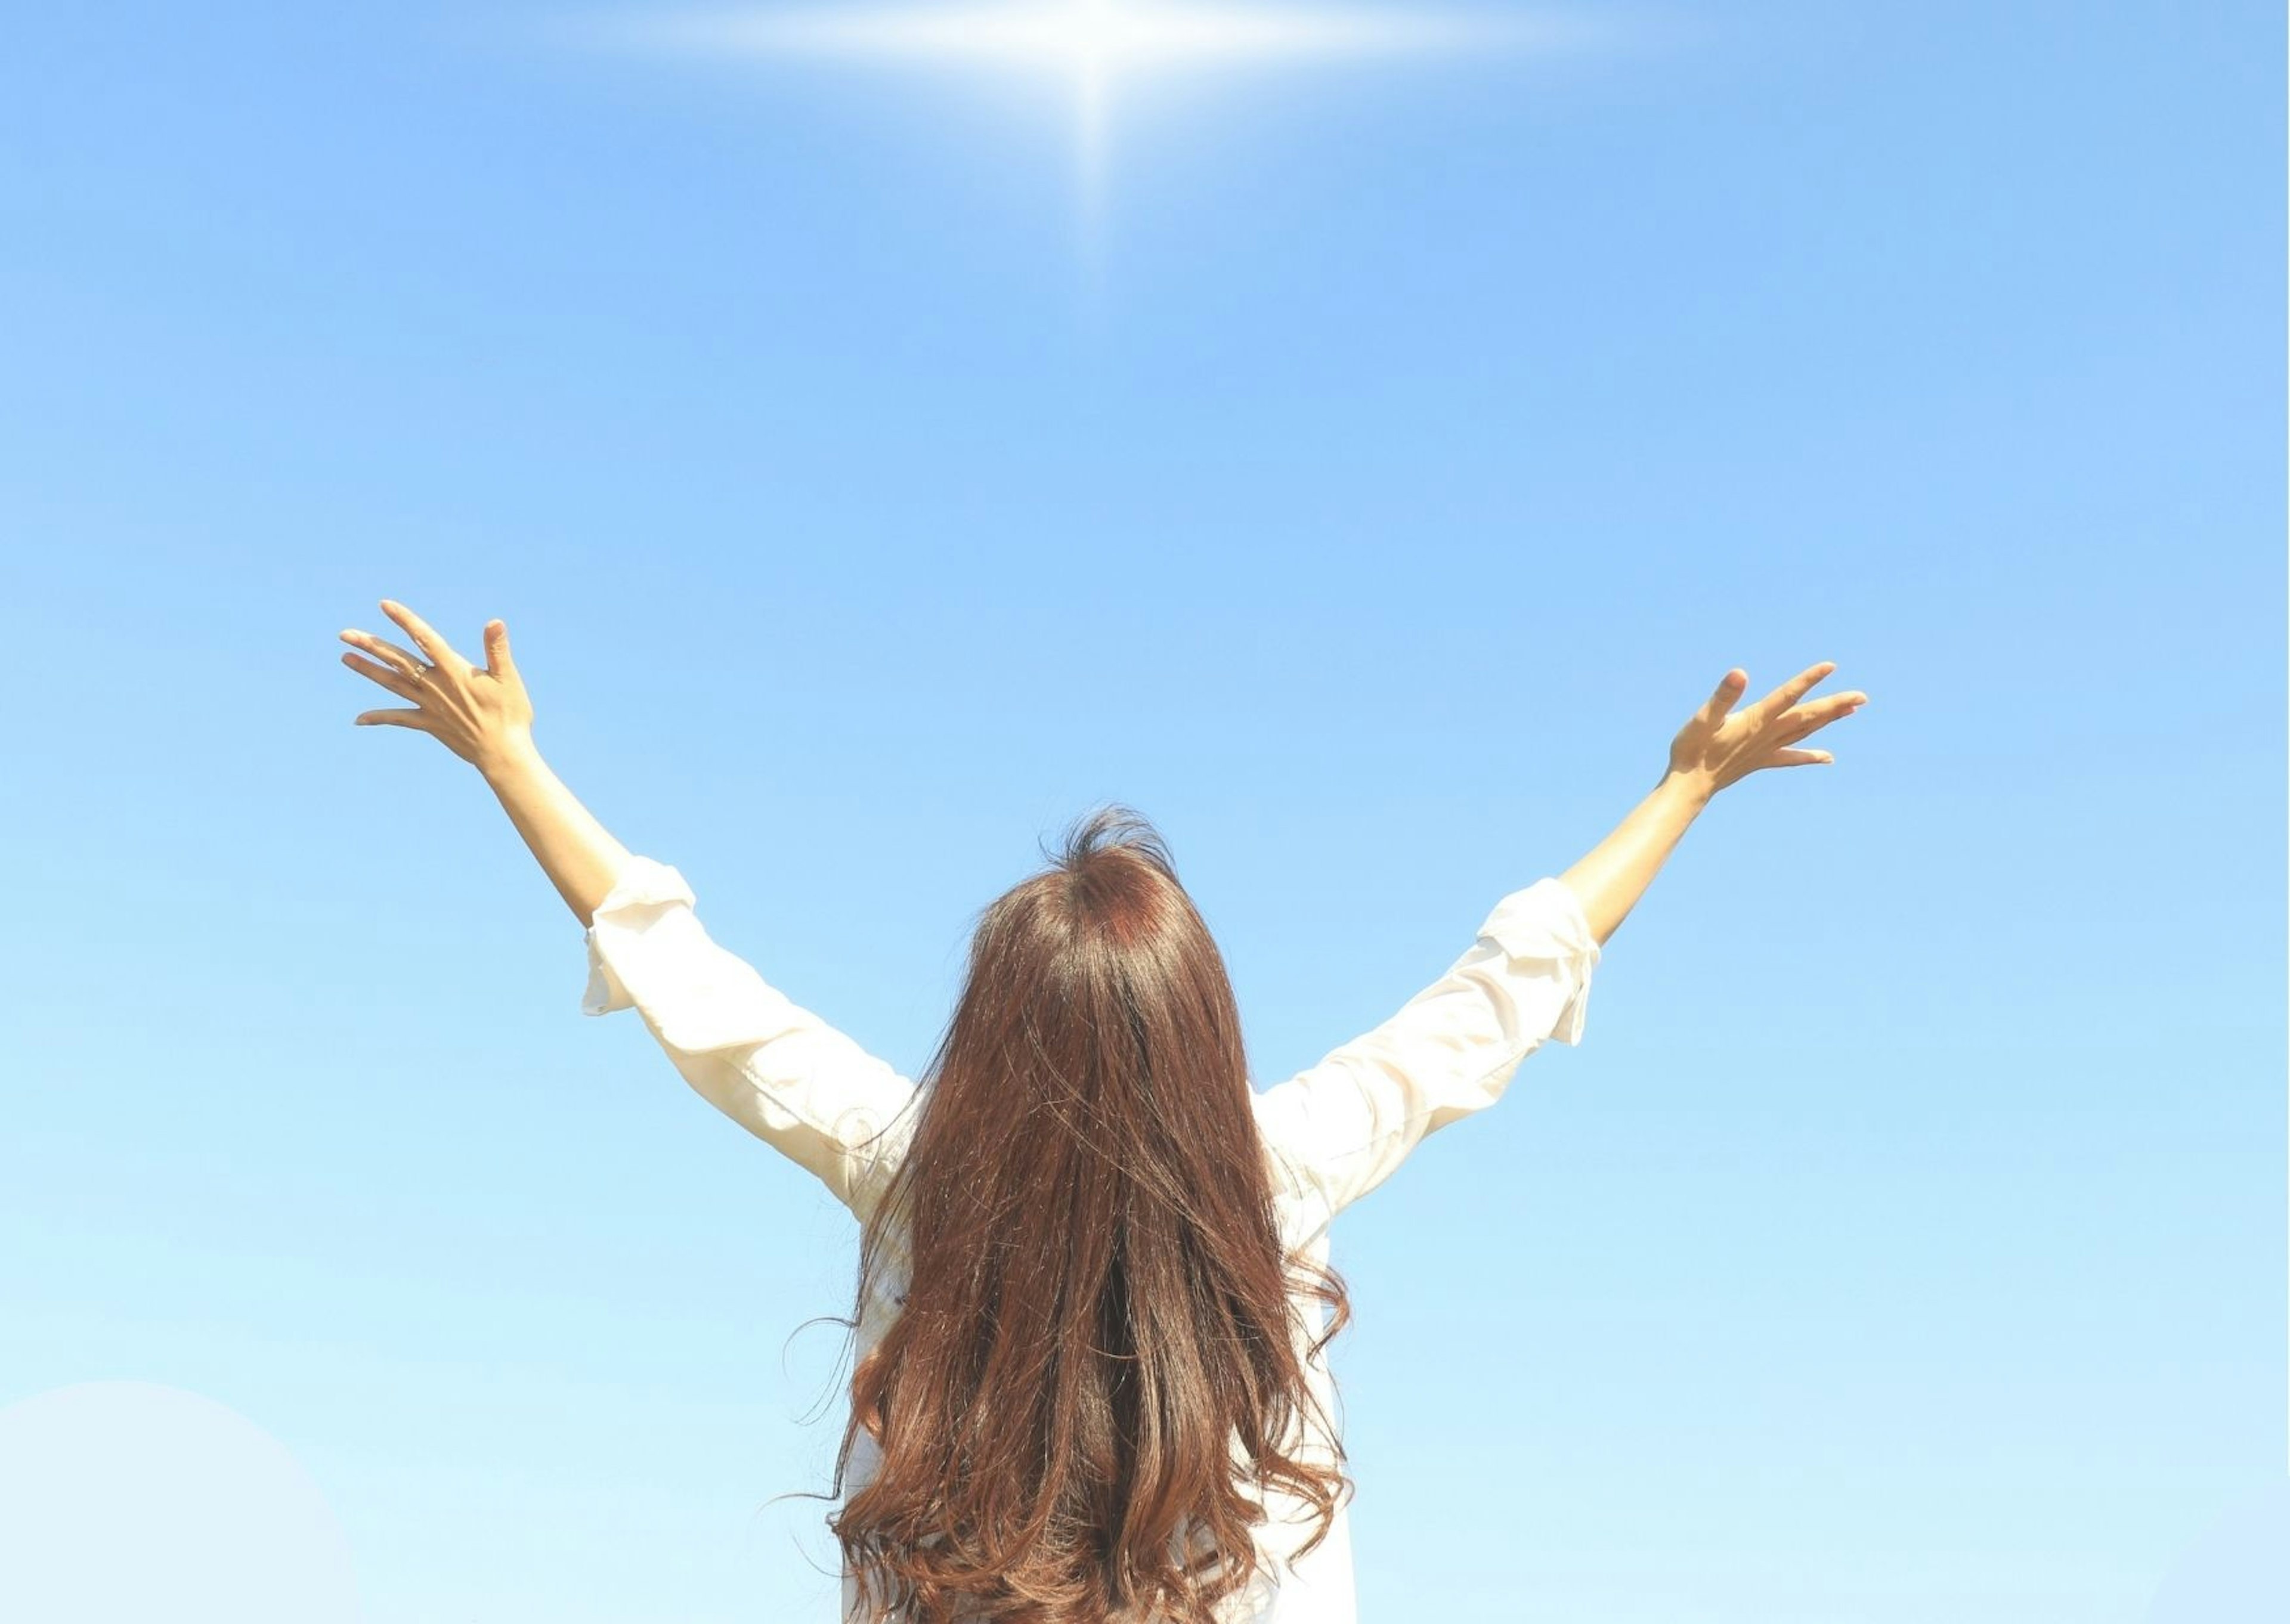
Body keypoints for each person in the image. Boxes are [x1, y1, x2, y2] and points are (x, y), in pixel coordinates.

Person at [339, 600, 1866, 1623]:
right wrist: (1682, 790)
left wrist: (512, 761)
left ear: (988, 1037)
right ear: (1201, 1039)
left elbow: (698, 988)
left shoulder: (912, 1173)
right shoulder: (1273, 1176)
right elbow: (1501, 990)